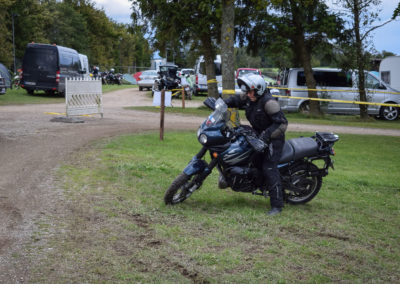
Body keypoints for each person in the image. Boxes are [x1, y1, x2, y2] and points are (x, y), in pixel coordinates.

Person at [224, 74, 288, 216]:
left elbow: (282, 124)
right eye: (247, 91)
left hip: (273, 139)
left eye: (251, 91)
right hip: (257, 136)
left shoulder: (269, 103)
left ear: (259, 89)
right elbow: (235, 100)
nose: (248, 94)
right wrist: (221, 103)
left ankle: (277, 206)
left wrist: (266, 137)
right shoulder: (249, 97)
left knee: (269, 167)